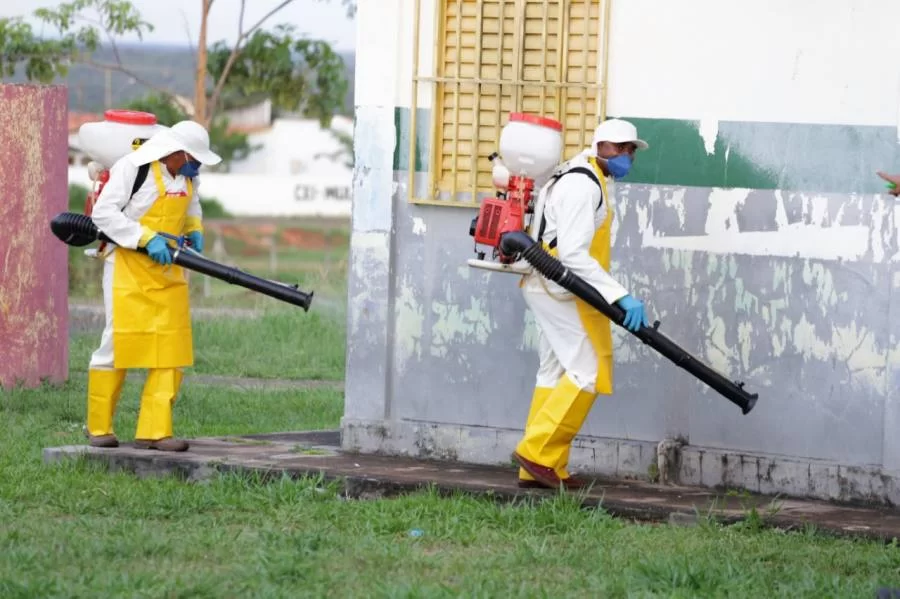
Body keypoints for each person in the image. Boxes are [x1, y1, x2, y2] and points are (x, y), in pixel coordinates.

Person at [512, 118, 650, 490]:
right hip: (555, 286)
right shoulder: (581, 184)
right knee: (587, 370)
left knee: (554, 372)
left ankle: (541, 467)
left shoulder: (587, 175)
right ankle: (538, 451)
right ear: (600, 146)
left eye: (630, 151)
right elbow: (572, 254)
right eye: (620, 149)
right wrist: (618, 294)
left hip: (550, 285)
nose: (626, 157)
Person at [85, 120, 222, 452]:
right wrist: (144, 237)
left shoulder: (188, 175)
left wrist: (194, 227)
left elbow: (191, 205)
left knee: (170, 349)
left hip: (168, 268)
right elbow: (103, 215)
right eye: (193, 158)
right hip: (127, 266)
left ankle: (155, 432)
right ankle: (99, 426)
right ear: (174, 152)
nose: (197, 165)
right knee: (118, 343)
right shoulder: (134, 168)